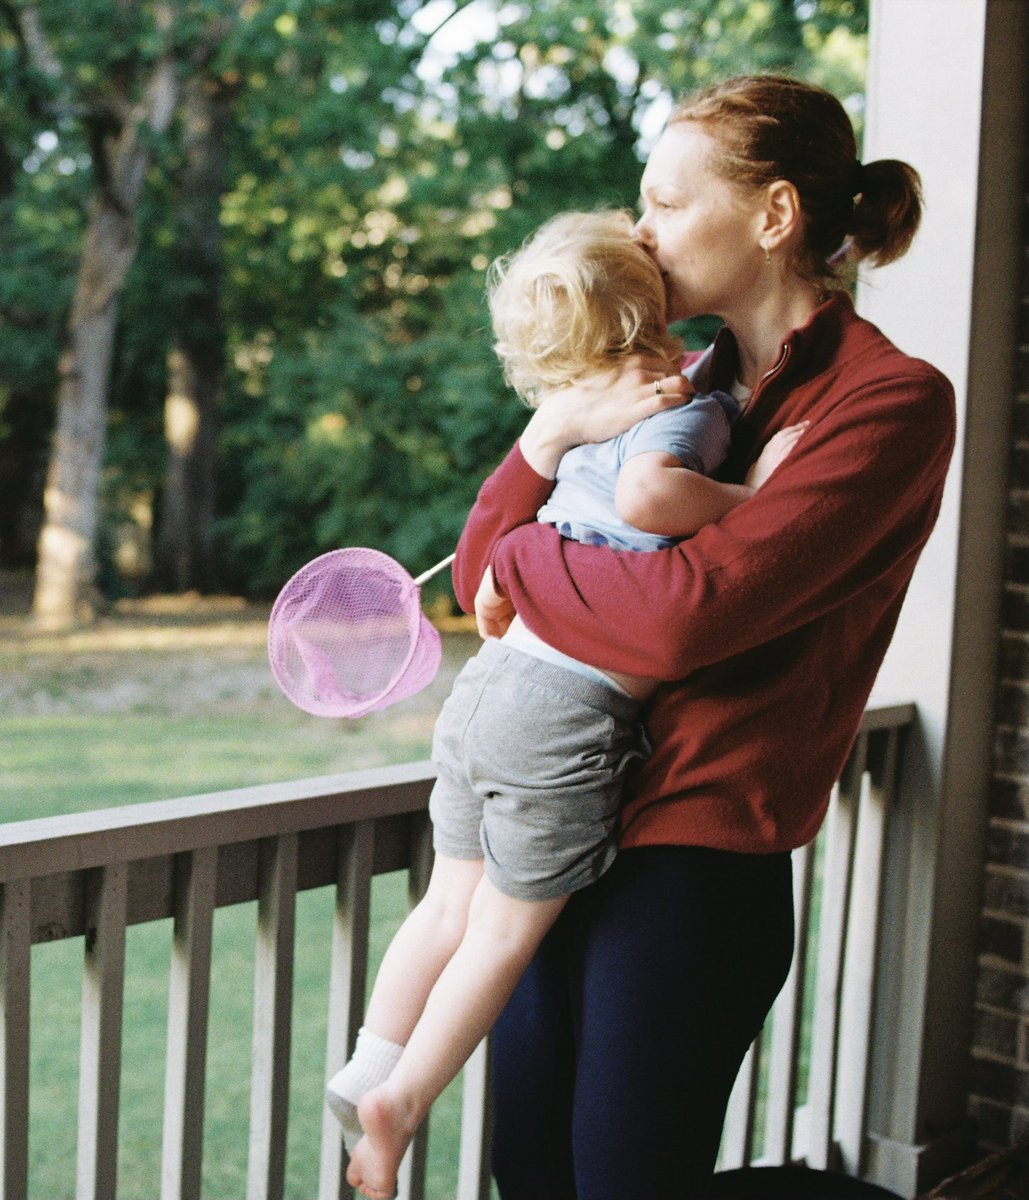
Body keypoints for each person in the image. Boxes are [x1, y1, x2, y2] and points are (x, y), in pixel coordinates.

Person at [455, 75, 956, 1199]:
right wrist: (549, 437)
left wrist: (528, 562)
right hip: (562, 829)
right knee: (528, 1177)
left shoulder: (890, 404)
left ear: (775, 216)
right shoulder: (674, 386)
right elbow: (475, 562)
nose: (638, 231)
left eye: (666, 204)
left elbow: (688, 618)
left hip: (695, 867)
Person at [326, 208, 803, 1199]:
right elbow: (651, 502)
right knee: (502, 931)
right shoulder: (679, 406)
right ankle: (402, 1099)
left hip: (486, 696)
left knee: (445, 905)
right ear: (656, 321)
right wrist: (762, 504)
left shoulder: (587, 405)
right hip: (565, 709)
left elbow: (495, 565)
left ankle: (372, 1056)